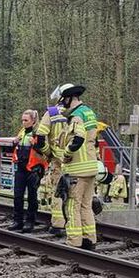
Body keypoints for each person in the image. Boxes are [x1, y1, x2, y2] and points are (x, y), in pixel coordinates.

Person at [57, 84, 100, 250]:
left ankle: (74, 242)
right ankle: (89, 240)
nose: (63, 105)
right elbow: (93, 140)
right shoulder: (89, 112)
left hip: (77, 169)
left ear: (69, 99)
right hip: (91, 166)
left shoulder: (76, 116)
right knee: (86, 205)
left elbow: (78, 138)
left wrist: (66, 154)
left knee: (72, 205)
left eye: (63, 101)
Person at [35, 100, 70, 237]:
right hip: (77, 160)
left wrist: (48, 153)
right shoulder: (81, 111)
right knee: (76, 194)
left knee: (58, 192)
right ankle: (75, 224)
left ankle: (58, 224)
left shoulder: (52, 113)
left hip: (58, 160)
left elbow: (40, 138)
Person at [10, 110, 46, 232]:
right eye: (22, 120)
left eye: (26, 120)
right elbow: (16, 148)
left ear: (33, 121)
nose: (23, 122)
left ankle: (30, 222)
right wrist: (14, 142)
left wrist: (34, 144)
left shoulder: (38, 133)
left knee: (32, 197)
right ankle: (17, 221)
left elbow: (44, 151)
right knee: (17, 196)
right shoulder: (22, 132)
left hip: (33, 169)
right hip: (21, 167)